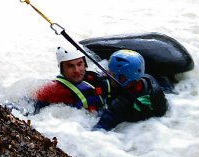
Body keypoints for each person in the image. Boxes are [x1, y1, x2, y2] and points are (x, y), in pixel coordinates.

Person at [34, 47, 168, 131]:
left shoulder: (118, 105)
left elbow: (98, 132)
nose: (77, 70)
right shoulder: (150, 82)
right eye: (70, 66)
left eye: (80, 64)